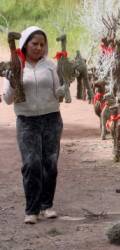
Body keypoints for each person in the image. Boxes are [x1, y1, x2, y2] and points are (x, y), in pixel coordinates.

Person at [3, 26, 65, 224]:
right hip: (27, 121)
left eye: (42, 44)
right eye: (34, 44)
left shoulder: (50, 66)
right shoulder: (16, 66)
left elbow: (58, 92)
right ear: (25, 44)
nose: (38, 48)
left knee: (50, 164)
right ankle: (32, 210)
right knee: (31, 164)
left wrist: (63, 90)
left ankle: (47, 206)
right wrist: (13, 81)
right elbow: (7, 100)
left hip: (51, 119)